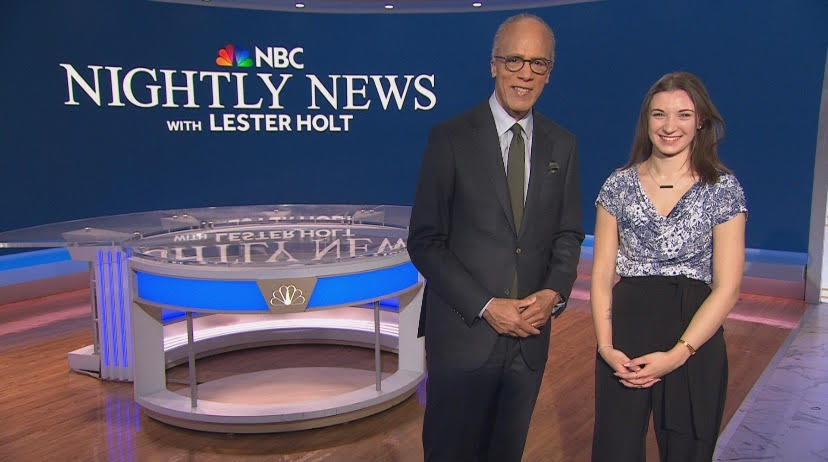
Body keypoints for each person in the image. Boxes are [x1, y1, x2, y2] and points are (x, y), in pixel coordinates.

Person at [407, 13, 584, 462]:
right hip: (464, 337)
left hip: (528, 340)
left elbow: (568, 234)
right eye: (515, 59)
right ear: (494, 64)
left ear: (550, 73)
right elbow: (426, 240)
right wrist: (487, 306)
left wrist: (553, 293)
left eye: (538, 64)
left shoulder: (563, 145)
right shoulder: (449, 138)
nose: (525, 73)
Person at [590, 72, 747, 461]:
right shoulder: (618, 185)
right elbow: (601, 276)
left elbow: (728, 288)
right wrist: (606, 347)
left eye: (682, 114)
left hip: (694, 335)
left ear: (700, 122)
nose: (670, 126)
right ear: (647, 121)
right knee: (616, 449)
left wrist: (677, 355)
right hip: (624, 333)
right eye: (659, 115)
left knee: (688, 449)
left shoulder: (723, 188)